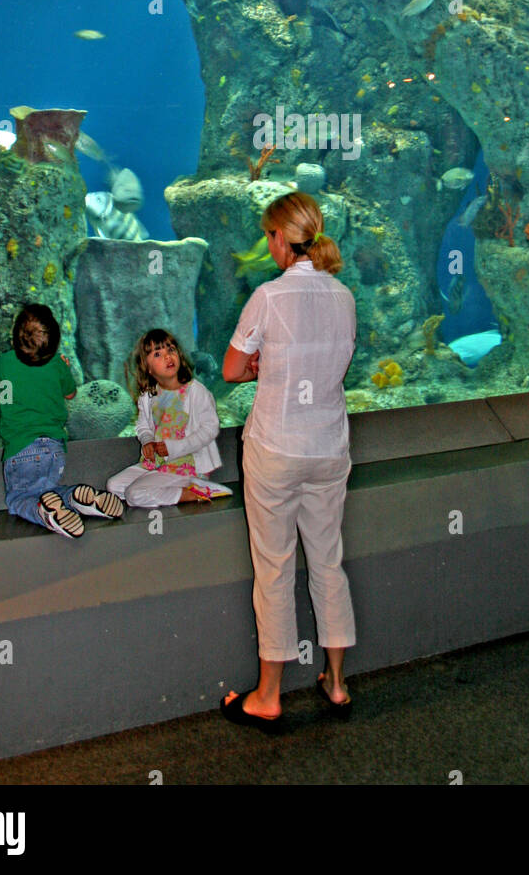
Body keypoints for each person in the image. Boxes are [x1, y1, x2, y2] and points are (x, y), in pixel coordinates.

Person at [220, 192, 357, 731]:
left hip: (276, 447)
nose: (268, 245)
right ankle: (338, 682)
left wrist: (263, 366)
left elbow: (232, 369)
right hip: (329, 447)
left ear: (280, 237)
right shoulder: (344, 296)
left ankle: (269, 696)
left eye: (268, 236)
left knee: (274, 568)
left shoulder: (269, 297)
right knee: (328, 561)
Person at [0, 303, 123, 538]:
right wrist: (62, 369)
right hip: (54, 450)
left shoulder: (1, 365)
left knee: (19, 499)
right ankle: (77, 497)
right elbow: (71, 394)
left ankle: (46, 513)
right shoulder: (57, 364)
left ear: (14, 338)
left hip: (20, 450)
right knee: (48, 490)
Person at [107, 329, 231, 507]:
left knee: (134, 494)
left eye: (171, 350)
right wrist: (148, 441)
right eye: (158, 354)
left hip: (186, 465)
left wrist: (175, 447)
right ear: (147, 368)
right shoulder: (148, 396)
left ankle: (193, 492)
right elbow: (143, 427)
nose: (167, 357)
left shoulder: (195, 391)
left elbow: (210, 429)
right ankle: (166, 490)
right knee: (114, 486)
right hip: (156, 464)